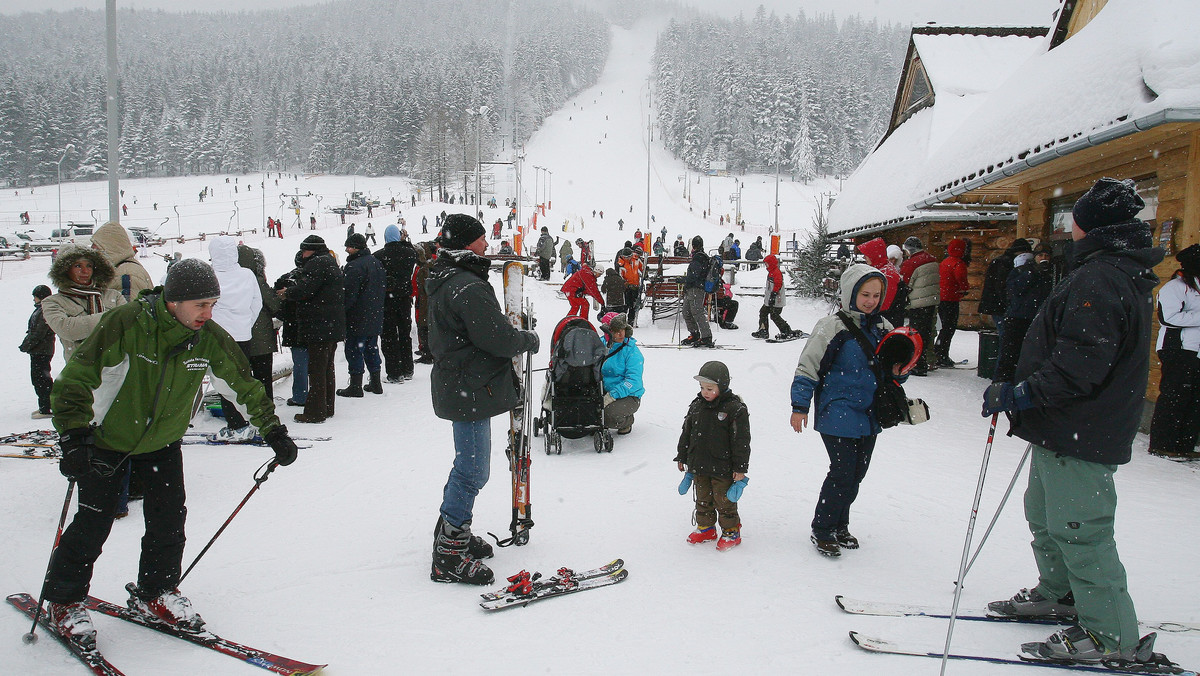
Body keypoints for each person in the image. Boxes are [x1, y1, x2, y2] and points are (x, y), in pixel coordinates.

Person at [41, 259, 299, 647]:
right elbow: (76, 379)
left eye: (212, 304)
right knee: (92, 526)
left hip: (162, 444)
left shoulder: (208, 336)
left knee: (168, 525)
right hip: (108, 443)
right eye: (201, 305)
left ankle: (156, 592)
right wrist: (74, 436)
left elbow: (242, 385)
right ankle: (63, 600)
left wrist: (272, 429)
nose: (208, 313)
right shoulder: (126, 324)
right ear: (175, 301)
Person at [982, 177, 1166, 665]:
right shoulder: (1103, 270)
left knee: (1081, 531)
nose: (1069, 227)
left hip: (1080, 430)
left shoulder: (1102, 278)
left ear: (1090, 225)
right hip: (1062, 427)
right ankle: (1060, 594)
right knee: (1044, 516)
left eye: (1074, 219)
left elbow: (1080, 366)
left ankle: (1112, 638)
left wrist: (1019, 393)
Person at [426, 214, 540, 585]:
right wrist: (527, 339)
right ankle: (450, 551)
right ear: (466, 244)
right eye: (480, 240)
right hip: (469, 387)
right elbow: (498, 339)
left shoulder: (448, 278)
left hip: (463, 383)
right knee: (473, 470)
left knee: (468, 466)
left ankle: (451, 532)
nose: (486, 245)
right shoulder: (467, 286)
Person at [790, 264, 906, 557]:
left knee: (857, 474)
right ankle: (823, 527)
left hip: (870, 413)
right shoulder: (832, 327)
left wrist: (899, 368)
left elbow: (897, 372)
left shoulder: (883, 328)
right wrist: (800, 405)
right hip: (838, 411)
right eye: (865, 294)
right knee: (842, 472)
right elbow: (808, 366)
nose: (870, 300)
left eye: (876, 295)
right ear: (850, 293)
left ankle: (841, 523)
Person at [674, 360, 750, 552]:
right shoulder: (697, 406)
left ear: (722, 386)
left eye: (710, 388)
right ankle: (706, 528)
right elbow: (687, 432)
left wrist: (740, 469)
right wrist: (682, 456)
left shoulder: (734, 409)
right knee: (702, 499)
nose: (705, 392)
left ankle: (731, 531)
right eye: (702, 388)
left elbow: (741, 442)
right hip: (699, 465)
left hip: (723, 467)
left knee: (724, 501)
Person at [278, 235, 345, 423]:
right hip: (331, 325)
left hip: (319, 326)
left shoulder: (316, 264)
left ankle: (315, 412)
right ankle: (327, 406)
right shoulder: (329, 262)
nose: (303, 254)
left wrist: (287, 293)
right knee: (326, 368)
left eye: (305, 250)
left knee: (316, 370)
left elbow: (306, 290)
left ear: (312, 250)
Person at [1148, 243, 1200, 459]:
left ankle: (1185, 445)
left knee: (1194, 399)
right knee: (1174, 397)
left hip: (1196, 351)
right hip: (1177, 349)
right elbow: (1168, 318)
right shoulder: (1175, 287)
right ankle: (1162, 443)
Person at [208, 237, 264, 440]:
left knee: (224, 381)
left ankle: (236, 425)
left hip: (219, 336)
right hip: (243, 335)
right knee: (243, 378)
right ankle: (250, 420)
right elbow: (256, 303)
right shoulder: (247, 274)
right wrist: (245, 324)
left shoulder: (210, 275)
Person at [42, 244, 127, 362]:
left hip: (115, 368)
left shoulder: (113, 295)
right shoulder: (53, 302)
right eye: (78, 266)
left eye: (89, 266)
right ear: (65, 270)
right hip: (80, 370)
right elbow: (68, 330)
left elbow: (127, 325)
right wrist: (112, 317)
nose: (85, 271)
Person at [994, 249, 1053, 383]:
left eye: (1046, 255)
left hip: (1038, 319)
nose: (1043, 258)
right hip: (1017, 317)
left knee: (1031, 355)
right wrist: (1032, 273)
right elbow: (1013, 289)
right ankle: (1002, 384)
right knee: (1009, 353)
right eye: (1040, 255)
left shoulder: (1050, 274)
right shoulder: (1023, 271)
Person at [338, 233, 386, 397]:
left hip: (358, 316)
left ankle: (356, 385)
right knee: (371, 348)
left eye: (349, 246)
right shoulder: (376, 262)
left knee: (354, 349)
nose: (346, 250)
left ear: (356, 247)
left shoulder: (354, 267)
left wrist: (342, 311)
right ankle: (376, 382)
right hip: (375, 314)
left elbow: (349, 294)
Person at [374, 225, 419, 384]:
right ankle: (408, 369)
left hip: (387, 300)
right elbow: (414, 252)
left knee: (389, 336)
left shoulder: (379, 256)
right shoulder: (409, 253)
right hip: (405, 299)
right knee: (405, 334)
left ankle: (394, 373)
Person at [598, 312, 644, 435]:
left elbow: (633, 382)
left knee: (607, 416)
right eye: (616, 331)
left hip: (628, 395)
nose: (621, 334)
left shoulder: (631, 351)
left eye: (622, 329)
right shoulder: (599, 344)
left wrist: (612, 396)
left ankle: (626, 421)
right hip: (602, 390)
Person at [899, 236, 940, 375]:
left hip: (918, 303)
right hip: (932, 302)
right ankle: (928, 359)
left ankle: (918, 364)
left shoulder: (912, 263)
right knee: (928, 332)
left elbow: (905, 283)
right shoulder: (932, 260)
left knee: (916, 334)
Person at [979, 237, 1034, 333]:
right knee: (1006, 334)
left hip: (1000, 306)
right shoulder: (1006, 264)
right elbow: (1001, 287)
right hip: (1002, 307)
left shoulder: (1001, 262)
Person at [274, 254, 308, 407]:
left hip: (294, 329)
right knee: (319, 364)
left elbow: (278, 309)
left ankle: (300, 396)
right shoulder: (314, 280)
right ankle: (319, 395)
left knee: (300, 364)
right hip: (315, 326)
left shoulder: (286, 280)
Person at [92, 222, 154, 302]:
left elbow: (127, 311)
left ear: (110, 247)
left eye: (97, 247)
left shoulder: (126, 274)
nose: (93, 250)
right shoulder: (119, 268)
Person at [21, 285, 56, 419]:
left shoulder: (44, 311)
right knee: (40, 378)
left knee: (41, 379)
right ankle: (45, 406)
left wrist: (26, 345)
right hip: (40, 350)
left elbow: (37, 333)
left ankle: (46, 408)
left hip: (42, 350)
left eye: (35, 296)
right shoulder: (41, 310)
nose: (33, 299)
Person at [935, 238, 970, 367]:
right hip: (951, 299)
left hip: (941, 298)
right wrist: (965, 288)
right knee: (949, 328)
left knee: (944, 327)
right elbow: (961, 279)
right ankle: (942, 354)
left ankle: (939, 352)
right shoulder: (958, 264)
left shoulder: (944, 262)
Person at [856, 237, 903, 328]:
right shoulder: (880, 269)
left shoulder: (887, 275)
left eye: (867, 254)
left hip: (885, 323)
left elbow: (883, 305)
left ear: (874, 254)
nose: (864, 257)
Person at [751, 254, 795, 339]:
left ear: (771, 263)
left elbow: (778, 284)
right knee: (763, 312)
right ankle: (763, 330)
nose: (766, 265)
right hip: (770, 299)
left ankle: (786, 331)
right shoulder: (771, 272)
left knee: (774, 315)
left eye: (767, 263)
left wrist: (773, 294)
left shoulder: (776, 272)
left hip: (776, 299)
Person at [681, 236, 713, 347]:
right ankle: (695, 333)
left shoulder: (699, 258)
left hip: (696, 289)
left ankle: (706, 336)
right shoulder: (700, 257)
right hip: (693, 288)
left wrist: (684, 281)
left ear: (693, 246)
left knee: (697, 312)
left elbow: (694, 275)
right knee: (686, 311)